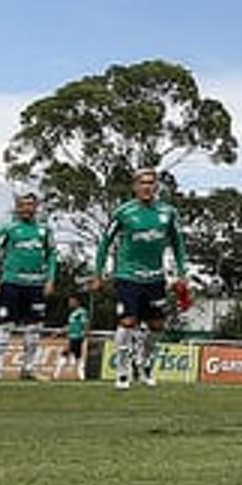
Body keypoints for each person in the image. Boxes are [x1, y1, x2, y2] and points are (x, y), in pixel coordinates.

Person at [91, 168, 188, 391]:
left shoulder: (168, 213)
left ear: (156, 187)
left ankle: (143, 365)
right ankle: (122, 372)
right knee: (127, 322)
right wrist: (98, 273)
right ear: (135, 187)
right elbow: (105, 243)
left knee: (156, 326)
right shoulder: (123, 212)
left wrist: (182, 273)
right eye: (142, 183)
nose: (147, 187)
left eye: (151, 183)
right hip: (127, 275)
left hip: (155, 277)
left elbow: (178, 244)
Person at [0, 192, 57, 380]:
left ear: (36, 208)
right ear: (17, 208)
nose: (27, 208)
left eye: (30, 205)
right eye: (23, 205)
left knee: (34, 328)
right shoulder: (8, 229)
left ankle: (28, 368)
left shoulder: (44, 230)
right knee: (5, 326)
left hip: (36, 285)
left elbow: (52, 256)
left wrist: (50, 279)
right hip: (11, 284)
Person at [53, 295, 89, 381]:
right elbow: (70, 326)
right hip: (72, 336)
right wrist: (60, 332)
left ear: (77, 301)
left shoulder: (81, 312)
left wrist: (84, 333)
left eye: (72, 301)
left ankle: (56, 374)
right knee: (78, 356)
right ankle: (81, 376)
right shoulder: (72, 314)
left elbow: (85, 323)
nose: (70, 303)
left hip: (77, 336)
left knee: (65, 353)